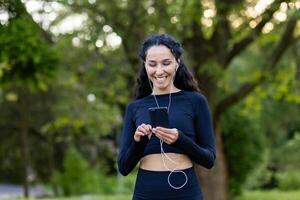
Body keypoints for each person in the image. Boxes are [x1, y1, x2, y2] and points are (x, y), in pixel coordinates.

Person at [118, 33, 216, 200]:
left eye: (166, 63)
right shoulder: (135, 107)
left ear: (177, 63)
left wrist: (180, 139)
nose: (159, 71)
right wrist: (139, 142)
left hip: (186, 192)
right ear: (145, 65)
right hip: (146, 192)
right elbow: (124, 168)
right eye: (152, 64)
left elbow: (209, 160)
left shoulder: (195, 101)